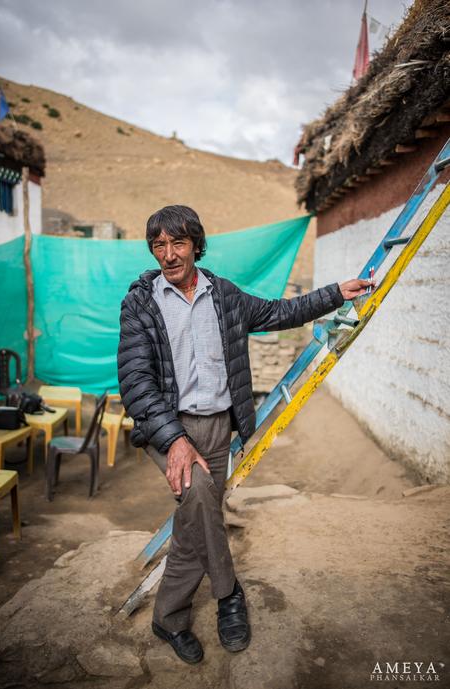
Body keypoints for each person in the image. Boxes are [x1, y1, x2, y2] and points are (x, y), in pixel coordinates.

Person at [117, 205, 374, 664]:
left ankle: (168, 619)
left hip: (218, 424)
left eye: (178, 243)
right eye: (159, 245)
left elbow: (279, 312)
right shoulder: (141, 302)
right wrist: (175, 440)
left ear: (196, 244)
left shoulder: (224, 296)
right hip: (168, 428)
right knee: (198, 499)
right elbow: (135, 380)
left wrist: (336, 293)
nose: (169, 255)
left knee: (196, 524)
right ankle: (229, 594)